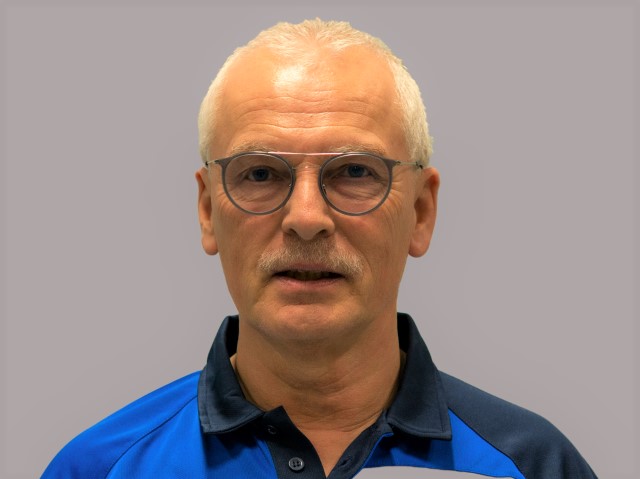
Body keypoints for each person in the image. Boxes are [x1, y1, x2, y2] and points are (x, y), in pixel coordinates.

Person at [41, 19, 597, 479]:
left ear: (421, 213)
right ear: (208, 210)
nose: (306, 219)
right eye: (260, 173)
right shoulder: (98, 469)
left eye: (354, 171)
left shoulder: (533, 465)